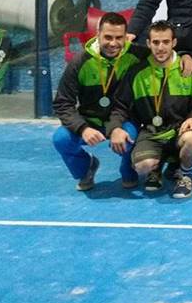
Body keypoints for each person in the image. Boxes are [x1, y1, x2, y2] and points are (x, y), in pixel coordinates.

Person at [108, 21, 192, 199]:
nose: (160, 47)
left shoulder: (190, 70)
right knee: (142, 166)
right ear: (148, 44)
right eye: (156, 42)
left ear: (174, 43)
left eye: (165, 42)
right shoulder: (136, 72)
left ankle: (181, 172)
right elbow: (120, 106)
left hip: (180, 130)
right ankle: (156, 168)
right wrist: (115, 128)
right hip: (151, 132)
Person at [52, 12, 148, 191]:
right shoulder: (80, 62)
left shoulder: (138, 55)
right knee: (61, 139)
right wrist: (83, 128)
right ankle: (86, 167)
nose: (113, 43)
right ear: (98, 35)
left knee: (130, 137)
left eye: (119, 38)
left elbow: (164, 56)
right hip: (90, 121)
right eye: (108, 37)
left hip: (124, 120)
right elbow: (62, 103)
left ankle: (127, 169)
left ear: (126, 37)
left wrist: (185, 59)